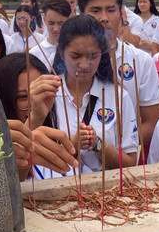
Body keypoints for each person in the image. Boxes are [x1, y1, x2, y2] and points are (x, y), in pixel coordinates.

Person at [50, 15, 138, 174]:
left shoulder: (118, 96)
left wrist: (98, 145)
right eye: (75, 56)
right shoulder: (48, 94)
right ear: (62, 53)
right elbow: (33, 158)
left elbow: (131, 163)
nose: (84, 65)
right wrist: (71, 144)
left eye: (93, 56)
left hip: (106, 192)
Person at [79, 0, 159, 147]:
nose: (103, 18)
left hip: (123, 165)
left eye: (111, 10)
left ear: (122, 14)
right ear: (81, 15)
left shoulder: (141, 61)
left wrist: (113, 151)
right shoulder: (62, 61)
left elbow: (151, 124)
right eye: (95, 11)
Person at [0, 53, 78, 181]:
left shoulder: (56, 132)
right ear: (2, 99)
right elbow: (10, 184)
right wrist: (34, 120)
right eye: (23, 96)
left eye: (41, 92)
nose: (35, 101)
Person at [30, 0, 71, 67]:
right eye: (51, 23)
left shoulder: (76, 50)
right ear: (45, 20)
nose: (56, 28)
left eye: (61, 23)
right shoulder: (34, 54)